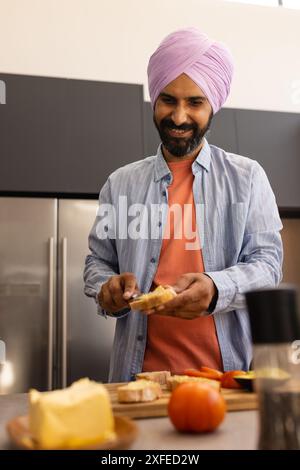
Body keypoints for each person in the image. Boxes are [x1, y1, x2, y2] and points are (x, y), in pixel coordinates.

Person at [84, 28, 283, 382]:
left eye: (194, 102)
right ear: (154, 100)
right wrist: (107, 289)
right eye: (168, 100)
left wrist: (216, 287)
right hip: (137, 383)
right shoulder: (120, 183)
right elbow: (97, 261)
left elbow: (268, 266)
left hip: (224, 383)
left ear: (213, 105)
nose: (178, 117)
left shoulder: (247, 178)